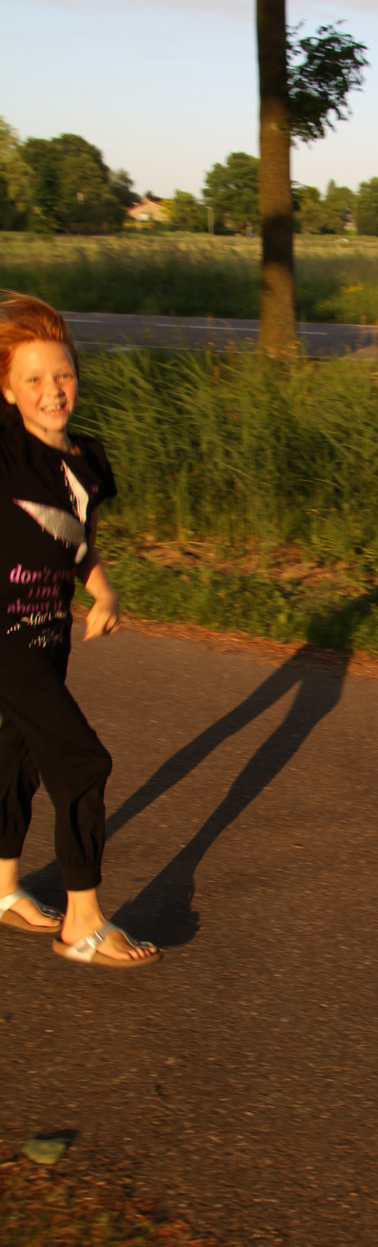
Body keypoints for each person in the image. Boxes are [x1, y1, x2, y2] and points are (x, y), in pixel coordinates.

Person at [0, 293, 161, 967]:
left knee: (16, 755)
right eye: (33, 378)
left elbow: (74, 541)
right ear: (7, 390)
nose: (52, 390)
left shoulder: (86, 460)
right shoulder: (4, 452)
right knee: (80, 761)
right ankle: (82, 923)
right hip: (4, 644)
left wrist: (103, 589)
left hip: (48, 635)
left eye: (62, 373)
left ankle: (2, 888)